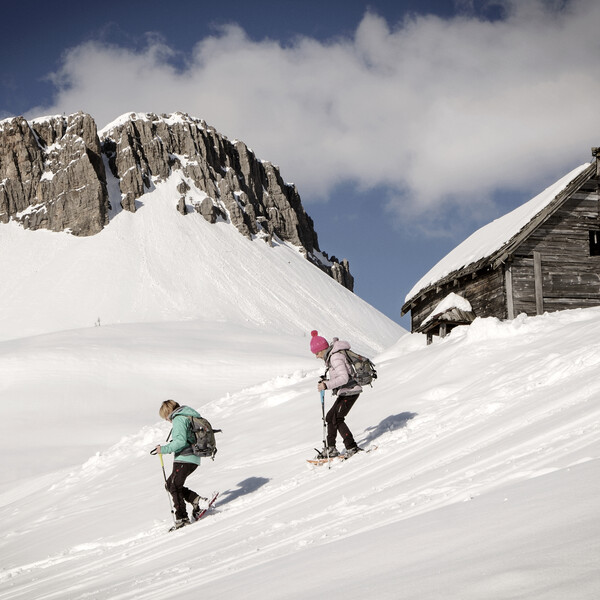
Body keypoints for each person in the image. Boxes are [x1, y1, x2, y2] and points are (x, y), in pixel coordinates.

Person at [154, 400, 207, 529]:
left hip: (185, 458)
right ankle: (196, 500)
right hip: (192, 458)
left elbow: (180, 442)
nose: (166, 420)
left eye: (165, 417)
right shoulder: (187, 416)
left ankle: (182, 519)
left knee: (174, 487)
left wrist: (163, 449)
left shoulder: (178, 419)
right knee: (170, 484)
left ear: (168, 412)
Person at [310, 330, 363, 458]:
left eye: (317, 353)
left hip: (351, 390)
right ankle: (331, 448)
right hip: (346, 391)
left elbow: (344, 378)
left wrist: (326, 385)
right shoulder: (332, 357)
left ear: (322, 349)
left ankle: (352, 447)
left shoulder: (335, 357)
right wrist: (326, 381)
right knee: (330, 417)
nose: (316, 356)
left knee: (337, 419)